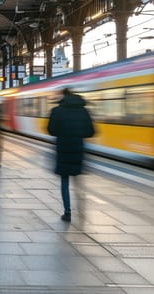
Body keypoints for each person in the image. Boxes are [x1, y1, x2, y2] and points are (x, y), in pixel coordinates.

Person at [47, 88, 95, 222]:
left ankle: (67, 212)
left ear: (63, 96)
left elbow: (51, 130)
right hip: (78, 149)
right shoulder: (84, 111)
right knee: (78, 180)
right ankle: (81, 209)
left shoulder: (57, 111)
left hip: (63, 148)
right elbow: (90, 132)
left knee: (64, 180)